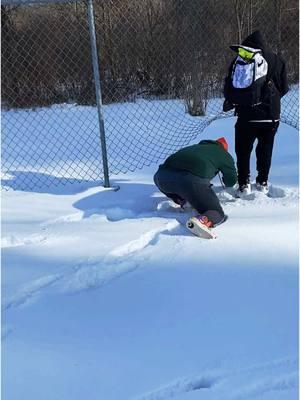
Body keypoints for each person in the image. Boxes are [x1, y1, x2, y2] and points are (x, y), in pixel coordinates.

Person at [223, 30, 289, 195]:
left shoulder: (240, 60)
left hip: (246, 116)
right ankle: (263, 181)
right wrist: (271, 98)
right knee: (265, 149)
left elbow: (230, 87)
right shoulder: (277, 61)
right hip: (271, 116)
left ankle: (244, 183)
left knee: (243, 150)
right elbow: (285, 88)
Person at [153, 137, 237, 230]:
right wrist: (226, 182)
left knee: (181, 185)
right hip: (189, 182)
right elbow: (231, 179)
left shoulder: (194, 147)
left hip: (160, 178)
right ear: (224, 148)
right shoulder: (224, 155)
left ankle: (182, 200)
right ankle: (202, 221)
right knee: (216, 212)